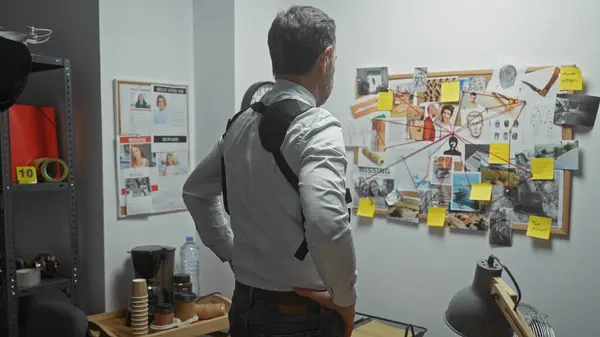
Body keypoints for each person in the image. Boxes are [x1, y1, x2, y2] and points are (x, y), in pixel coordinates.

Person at [182, 6, 356, 337]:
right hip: (302, 317)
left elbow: (195, 191)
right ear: (326, 57)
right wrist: (346, 300)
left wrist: (230, 252)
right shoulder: (317, 127)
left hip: (245, 306)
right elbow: (328, 222)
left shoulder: (240, 124)